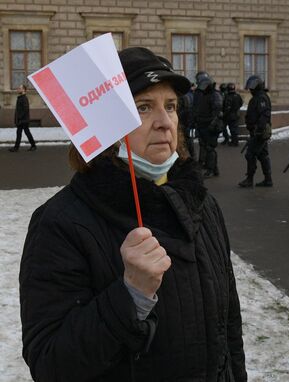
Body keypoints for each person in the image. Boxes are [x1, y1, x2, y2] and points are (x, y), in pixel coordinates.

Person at [19, 47, 247, 381]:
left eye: (170, 106)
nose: (164, 122)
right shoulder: (60, 223)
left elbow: (229, 329)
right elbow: (50, 363)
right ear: (105, 126)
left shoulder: (202, 204)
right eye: (142, 108)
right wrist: (130, 296)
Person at [238, 75, 273, 188]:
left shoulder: (261, 98)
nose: (251, 90)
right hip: (256, 131)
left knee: (250, 155)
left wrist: (259, 129)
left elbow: (264, 114)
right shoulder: (257, 97)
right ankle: (268, 179)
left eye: (252, 88)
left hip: (259, 132)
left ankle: (249, 179)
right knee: (263, 155)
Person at [194, 76, 223, 177]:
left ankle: (211, 170)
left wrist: (212, 125)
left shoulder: (215, 95)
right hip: (203, 125)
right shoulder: (205, 95)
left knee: (210, 148)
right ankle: (214, 169)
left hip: (210, 127)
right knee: (207, 148)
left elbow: (218, 113)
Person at [9, 84, 36, 152]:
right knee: (23, 132)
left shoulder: (24, 98)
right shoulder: (21, 97)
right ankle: (33, 145)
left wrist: (20, 117)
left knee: (21, 133)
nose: (18, 89)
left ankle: (17, 147)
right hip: (22, 119)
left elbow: (25, 109)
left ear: (24, 90)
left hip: (23, 120)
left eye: (20, 88)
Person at [178, 83, 196, 160]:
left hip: (183, 121)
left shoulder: (184, 97)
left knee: (185, 138)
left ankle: (185, 156)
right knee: (186, 138)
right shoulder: (189, 95)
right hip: (187, 120)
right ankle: (191, 155)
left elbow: (185, 110)